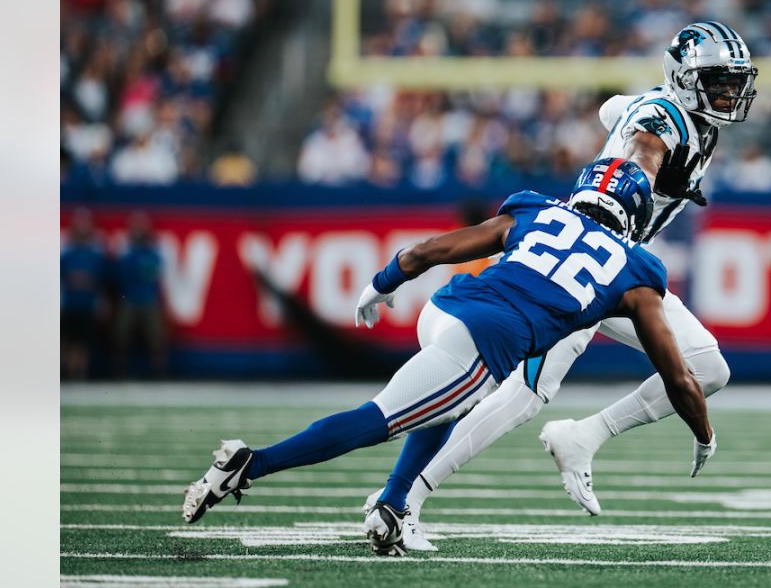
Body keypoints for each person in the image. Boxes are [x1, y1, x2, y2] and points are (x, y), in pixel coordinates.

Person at [181, 160, 716, 558]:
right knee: (381, 419)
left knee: (444, 405)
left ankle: (393, 507)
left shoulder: (536, 210)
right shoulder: (637, 271)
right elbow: (678, 377)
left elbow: (434, 249)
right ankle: (251, 463)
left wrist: (382, 282)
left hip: (444, 310)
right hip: (483, 343)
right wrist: (704, 433)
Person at [373, 22, 755, 551]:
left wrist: (625, 116)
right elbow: (642, 147)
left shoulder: (685, 119)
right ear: (685, 79)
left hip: (620, 270)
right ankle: (401, 497)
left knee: (708, 367)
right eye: (718, 81)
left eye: (734, 82)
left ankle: (584, 436)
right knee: (523, 395)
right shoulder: (661, 123)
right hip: (582, 263)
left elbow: (615, 111)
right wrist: (635, 165)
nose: (730, 94)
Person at [111, 212, 166, 377]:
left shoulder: (153, 248)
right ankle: (119, 372)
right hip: (128, 298)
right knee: (120, 337)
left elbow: (152, 273)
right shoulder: (124, 246)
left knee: (156, 338)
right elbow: (118, 273)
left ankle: (159, 373)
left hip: (149, 298)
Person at [61, 209, 107, 380]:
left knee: (82, 343)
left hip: (86, 303)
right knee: (65, 341)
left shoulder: (95, 252)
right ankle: (64, 373)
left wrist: (100, 300)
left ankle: (78, 374)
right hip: (69, 303)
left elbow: (100, 279)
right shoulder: (67, 251)